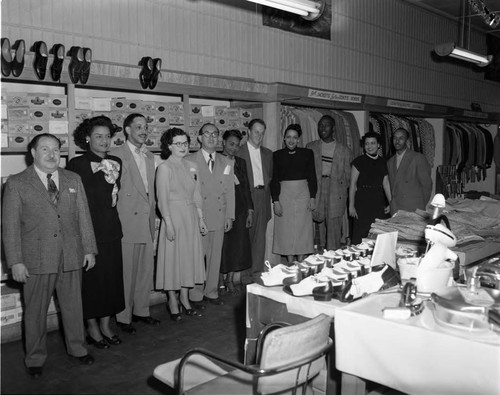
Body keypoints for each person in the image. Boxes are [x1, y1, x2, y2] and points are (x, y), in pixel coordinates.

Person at [2, 133, 97, 378]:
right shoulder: (16, 183)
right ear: (33, 153)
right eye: (45, 149)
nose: (52, 154)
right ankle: (35, 358)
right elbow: (10, 227)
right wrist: (15, 262)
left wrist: (89, 249)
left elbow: (83, 217)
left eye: (55, 149)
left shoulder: (72, 178)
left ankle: (78, 349)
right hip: (36, 260)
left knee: (74, 308)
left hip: (71, 256)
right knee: (35, 312)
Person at [67, 116, 125, 349]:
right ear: (87, 138)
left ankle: (105, 324)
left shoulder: (117, 161)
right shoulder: (77, 164)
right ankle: (91, 326)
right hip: (88, 230)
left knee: (111, 280)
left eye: (107, 136)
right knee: (92, 283)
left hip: (111, 228)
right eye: (98, 136)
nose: (103, 140)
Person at [110, 113, 160, 334]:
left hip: (146, 219)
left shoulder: (149, 157)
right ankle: (123, 316)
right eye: (138, 126)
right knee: (126, 272)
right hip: (126, 220)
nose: (143, 130)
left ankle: (141, 310)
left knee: (144, 270)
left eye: (145, 127)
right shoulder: (115, 155)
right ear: (127, 130)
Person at [155, 128, 207, 321]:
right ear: (169, 146)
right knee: (172, 259)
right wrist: (168, 223)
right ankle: (172, 301)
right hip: (173, 217)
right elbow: (162, 199)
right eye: (178, 143)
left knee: (188, 258)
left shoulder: (192, 165)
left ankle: (185, 298)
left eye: (185, 143)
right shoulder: (164, 168)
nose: (183, 147)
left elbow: (196, 194)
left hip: (190, 216)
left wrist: (201, 219)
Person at [186, 123, 235, 308]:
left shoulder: (226, 162)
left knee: (216, 257)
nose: (211, 137)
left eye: (215, 134)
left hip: (219, 214)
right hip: (198, 216)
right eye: (207, 134)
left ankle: (212, 291)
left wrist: (229, 216)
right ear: (199, 137)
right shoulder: (189, 160)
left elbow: (230, 191)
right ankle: (196, 294)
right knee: (198, 257)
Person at [271, 124, 317, 262]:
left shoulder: (307, 154)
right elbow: (274, 179)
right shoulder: (277, 155)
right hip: (284, 194)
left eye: (295, 138)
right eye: (289, 137)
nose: (291, 140)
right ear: (284, 139)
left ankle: (301, 261)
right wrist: (276, 201)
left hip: (303, 193)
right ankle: (290, 261)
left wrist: (313, 197)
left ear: (298, 140)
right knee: (286, 229)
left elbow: (312, 177)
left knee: (303, 229)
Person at [306, 115, 353, 250]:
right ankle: (317, 256)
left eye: (326, 125)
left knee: (333, 227)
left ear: (333, 128)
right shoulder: (311, 147)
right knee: (315, 225)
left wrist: (346, 197)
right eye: (320, 125)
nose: (323, 128)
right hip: (317, 189)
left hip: (336, 191)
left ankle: (333, 258)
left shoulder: (344, 151)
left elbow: (349, 177)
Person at [236, 119, 273, 282]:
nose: (259, 135)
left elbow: (270, 177)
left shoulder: (268, 154)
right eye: (256, 131)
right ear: (249, 132)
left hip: (262, 197)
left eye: (262, 132)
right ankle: (245, 275)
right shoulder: (239, 152)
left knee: (260, 239)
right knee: (246, 237)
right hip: (246, 198)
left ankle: (257, 273)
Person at [219, 129, 254, 293]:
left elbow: (246, 187)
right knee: (222, 246)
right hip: (221, 209)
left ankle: (230, 279)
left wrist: (250, 210)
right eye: (231, 144)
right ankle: (218, 280)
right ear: (223, 142)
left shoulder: (241, 162)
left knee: (237, 245)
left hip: (239, 208)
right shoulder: (216, 161)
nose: (233, 148)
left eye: (237, 145)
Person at [348, 132, 392, 244]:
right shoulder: (358, 161)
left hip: (377, 200)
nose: (369, 146)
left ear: (378, 145)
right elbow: (352, 184)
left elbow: (386, 183)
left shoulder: (383, 162)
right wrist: (351, 206)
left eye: (373, 143)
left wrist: (392, 203)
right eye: (367, 143)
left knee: (378, 233)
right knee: (361, 233)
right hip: (362, 201)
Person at [387, 128, 432, 215]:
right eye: (395, 138)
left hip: (413, 209)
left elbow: (427, 186)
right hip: (396, 209)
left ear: (407, 141)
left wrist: (419, 207)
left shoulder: (417, 158)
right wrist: (391, 204)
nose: (397, 141)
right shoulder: (390, 162)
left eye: (401, 138)